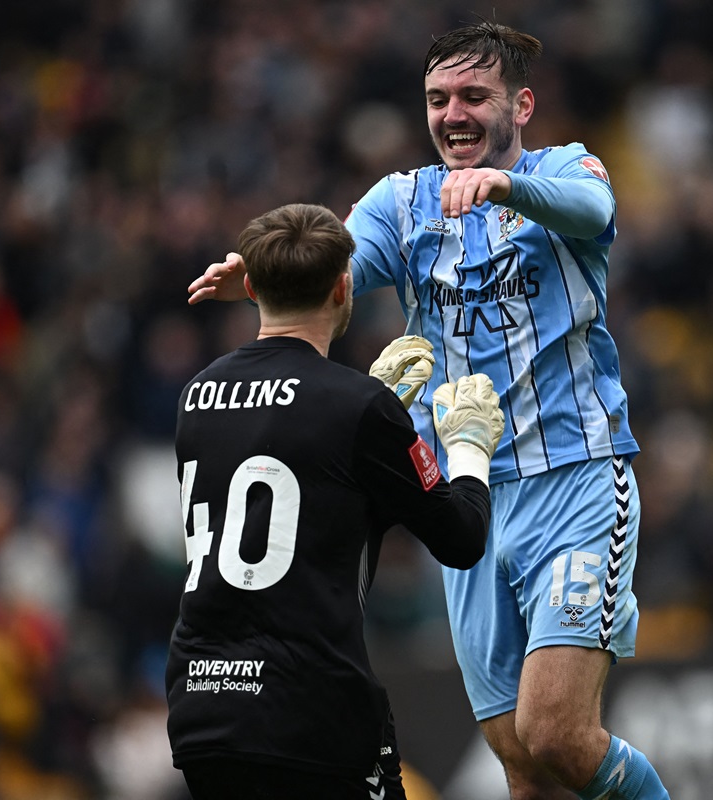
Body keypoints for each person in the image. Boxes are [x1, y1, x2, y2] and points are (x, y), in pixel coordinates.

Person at [188, 21, 670, 800]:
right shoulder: (404, 201)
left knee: (558, 731)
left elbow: (591, 208)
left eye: (474, 96)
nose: (454, 114)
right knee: (520, 757)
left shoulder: (563, 169)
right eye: (438, 99)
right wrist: (269, 265)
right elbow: (334, 260)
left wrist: (507, 188)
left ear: (522, 104)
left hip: (577, 482)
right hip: (469, 502)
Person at [166, 203, 505, 799]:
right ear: (344, 286)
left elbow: (305, 482)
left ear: (250, 287)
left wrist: (376, 427)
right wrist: (470, 446)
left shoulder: (198, 393)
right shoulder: (358, 408)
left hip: (204, 709)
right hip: (310, 711)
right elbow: (462, 537)